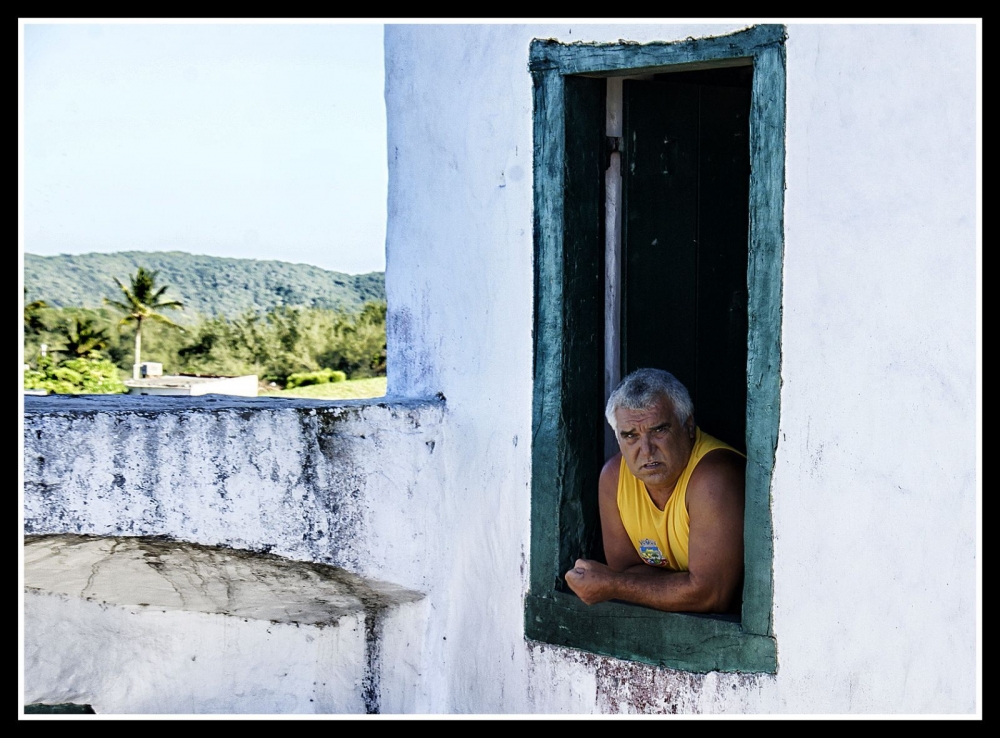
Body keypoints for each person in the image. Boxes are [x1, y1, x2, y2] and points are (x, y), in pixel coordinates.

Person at [564, 368, 746, 613]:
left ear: (689, 425)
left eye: (659, 430)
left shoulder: (714, 477)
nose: (646, 450)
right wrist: (679, 586)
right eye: (630, 436)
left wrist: (613, 585)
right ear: (618, 439)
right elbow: (626, 570)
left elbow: (710, 594)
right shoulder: (615, 478)